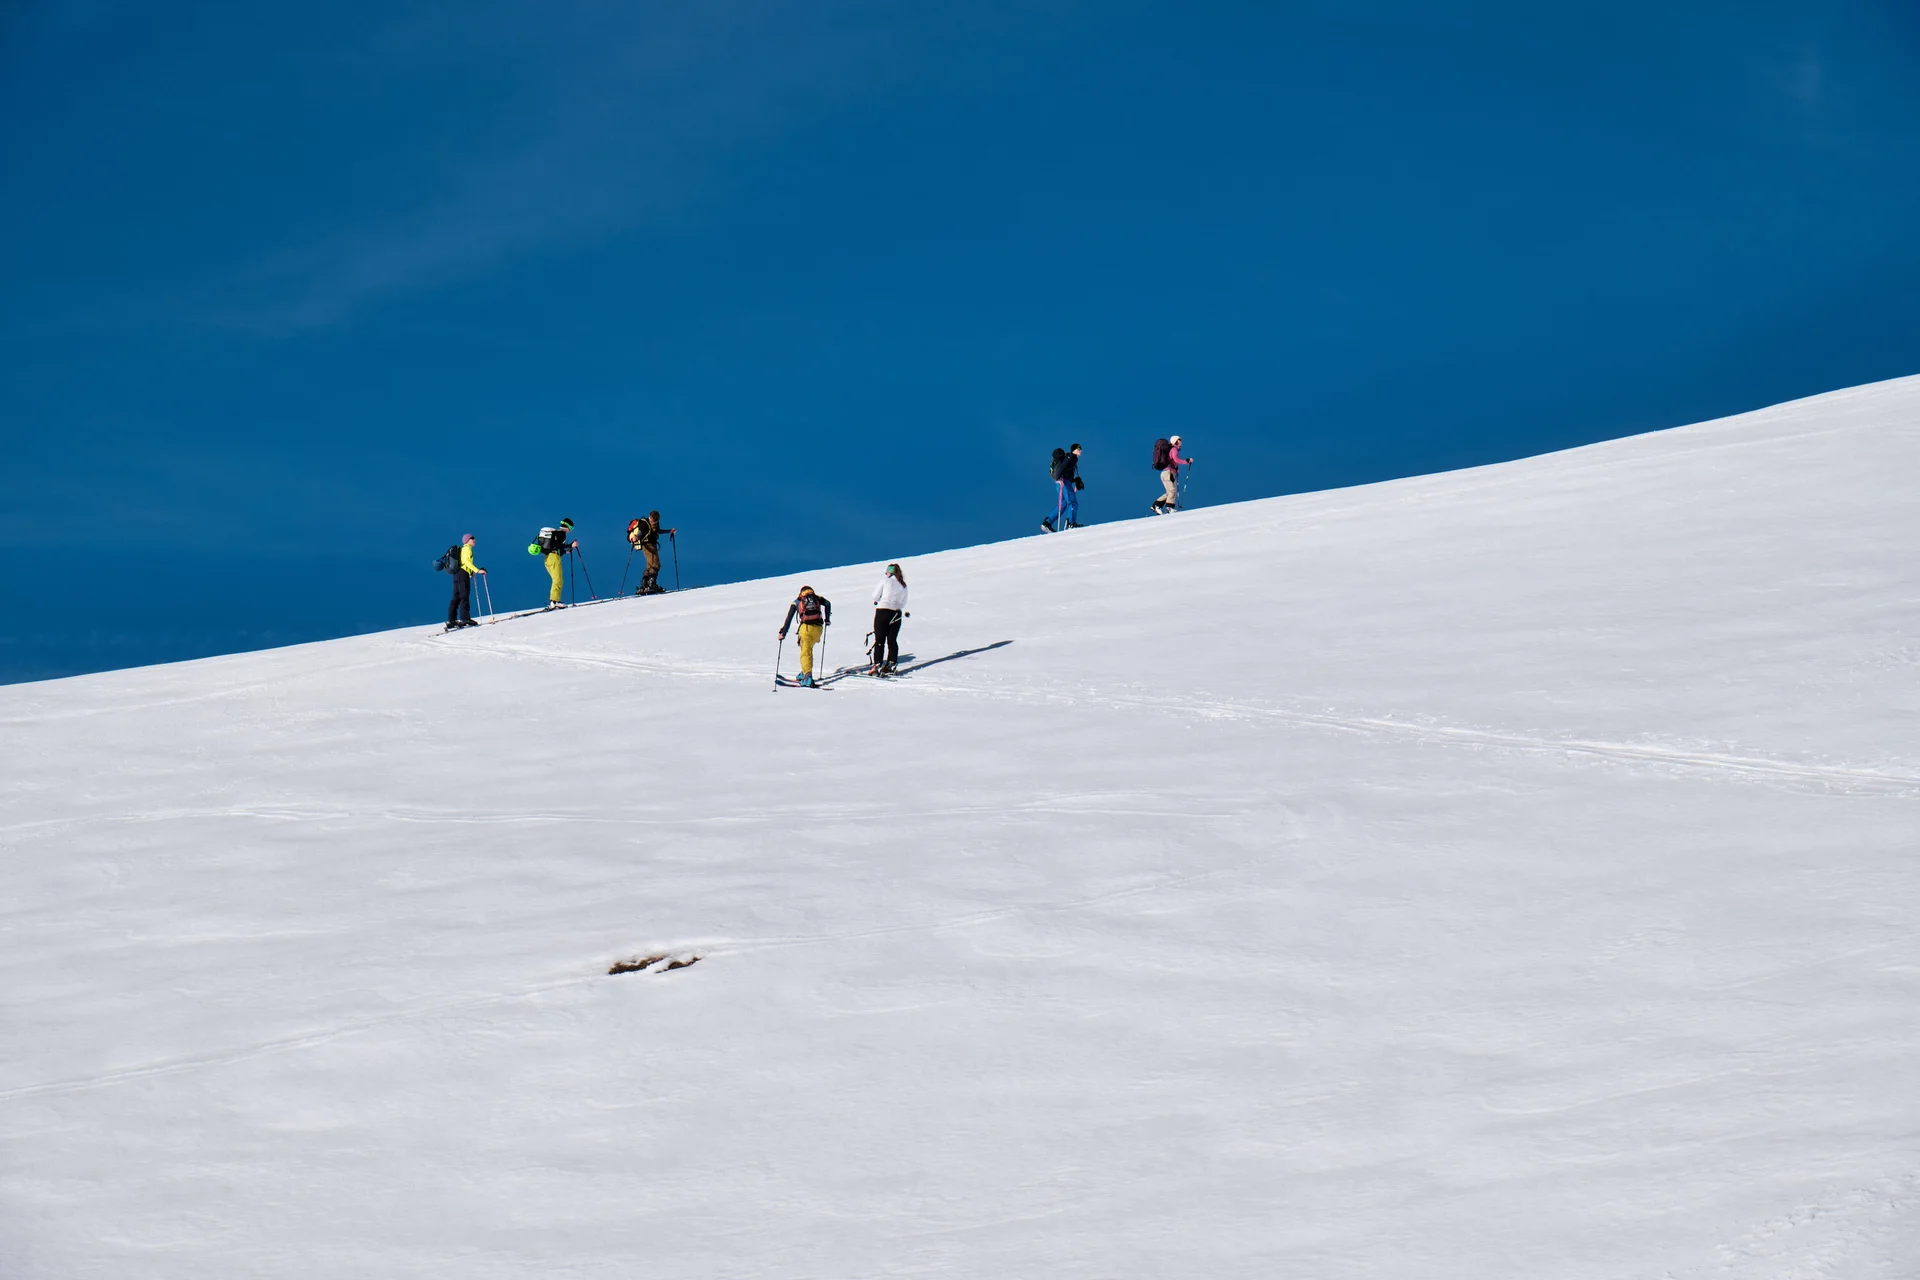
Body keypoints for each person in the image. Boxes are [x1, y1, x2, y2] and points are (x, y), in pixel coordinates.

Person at [777, 585, 832, 687]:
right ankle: (804, 671)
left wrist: (783, 633)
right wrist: (827, 619)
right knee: (808, 650)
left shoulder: (797, 601)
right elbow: (828, 603)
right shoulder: (817, 598)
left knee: (805, 653)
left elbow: (789, 618)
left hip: (806, 629)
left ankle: (807, 677)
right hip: (818, 629)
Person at [869, 562, 908, 674]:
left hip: (883, 611)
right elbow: (903, 603)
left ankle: (877, 664)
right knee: (892, 640)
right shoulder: (903, 585)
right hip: (897, 613)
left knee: (880, 639)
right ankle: (891, 663)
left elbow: (875, 596)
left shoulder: (885, 581)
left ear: (890, 573)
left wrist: (879, 599)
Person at [627, 511, 676, 595]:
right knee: (655, 564)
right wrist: (635, 538)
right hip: (648, 546)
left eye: (654, 520)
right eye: (651, 519)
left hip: (652, 545)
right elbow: (640, 533)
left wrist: (669, 531)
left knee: (650, 565)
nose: (652, 521)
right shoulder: (644, 524)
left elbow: (657, 531)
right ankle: (651, 584)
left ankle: (645, 585)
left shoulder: (655, 524)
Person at [446, 533, 486, 630]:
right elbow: (466, 562)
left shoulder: (462, 550)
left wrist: (471, 572)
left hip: (457, 574)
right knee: (464, 596)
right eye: (472, 538)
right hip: (463, 575)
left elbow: (463, 563)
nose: (474, 540)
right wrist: (477, 570)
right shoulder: (467, 549)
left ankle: (451, 620)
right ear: (467, 540)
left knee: (456, 597)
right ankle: (465, 619)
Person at [1042, 443, 1083, 532]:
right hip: (1063, 483)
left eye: (1080, 449)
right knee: (1073, 502)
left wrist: (1076, 480)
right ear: (1074, 450)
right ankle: (1071, 523)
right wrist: (1059, 478)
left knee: (1063, 504)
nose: (1080, 451)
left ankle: (1047, 522)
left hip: (1061, 483)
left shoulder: (1071, 458)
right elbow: (1062, 467)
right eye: (1078, 449)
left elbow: (1066, 471)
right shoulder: (1071, 457)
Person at [1151, 434, 1195, 514]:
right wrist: (1187, 461)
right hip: (1168, 473)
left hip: (1168, 473)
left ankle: (1156, 505)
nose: (1180, 442)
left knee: (1171, 492)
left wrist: (1176, 470)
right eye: (1179, 440)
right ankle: (1169, 507)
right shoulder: (1174, 449)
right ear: (1175, 442)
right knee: (1172, 491)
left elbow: (1173, 461)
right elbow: (1176, 460)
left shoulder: (1172, 449)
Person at [539, 518, 577, 609]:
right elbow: (559, 546)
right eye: (571, 528)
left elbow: (556, 547)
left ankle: (553, 601)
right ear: (568, 527)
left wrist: (566, 551)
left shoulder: (556, 533)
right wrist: (571, 545)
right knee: (558, 580)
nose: (570, 530)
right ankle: (554, 601)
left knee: (556, 579)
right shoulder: (562, 533)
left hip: (548, 558)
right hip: (554, 558)